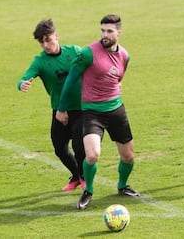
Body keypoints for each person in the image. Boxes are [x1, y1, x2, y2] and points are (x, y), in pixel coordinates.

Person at [56, 14, 140, 210]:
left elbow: (118, 78)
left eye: (109, 31)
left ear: (119, 33)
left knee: (128, 156)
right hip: (92, 112)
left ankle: (122, 186)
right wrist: (61, 108)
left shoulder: (125, 56)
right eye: (102, 30)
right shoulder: (87, 54)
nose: (105, 35)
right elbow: (70, 81)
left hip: (116, 110)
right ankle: (88, 191)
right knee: (92, 155)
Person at [17, 19, 86, 191]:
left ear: (56, 36)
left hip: (81, 108)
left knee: (79, 145)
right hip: (59, 111)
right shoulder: (40, 61)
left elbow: (94, 66)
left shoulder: (74, 51)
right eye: (42, 42)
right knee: (59, 148)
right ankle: (76, 175)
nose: (46, 45)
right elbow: (24, 77)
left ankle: (85, 178)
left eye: (48, 39)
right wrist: (22, 84)